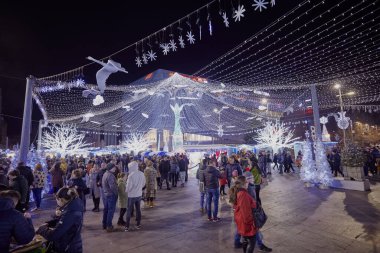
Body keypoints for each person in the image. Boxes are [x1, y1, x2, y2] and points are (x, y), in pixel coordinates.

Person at [36, 187, 83, 253]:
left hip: (68, 248)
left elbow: (53, 235)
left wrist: (42, 229)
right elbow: (66, 223)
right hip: (72, 244)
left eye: (56, 200)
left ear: (61, 199)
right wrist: (49, 223)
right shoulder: (74, 206)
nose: (56, 202)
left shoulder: (70, 213)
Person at [243, 172, 272, 252]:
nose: (252, 179)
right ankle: (260, 245)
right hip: (250, 214)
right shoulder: (247, 189)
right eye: (249, 178)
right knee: (255, 231)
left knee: (250, 231)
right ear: (245, 180)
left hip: (250, 214)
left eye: (252, 177)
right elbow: (249, 203)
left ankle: (258, 244)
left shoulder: (251, 186)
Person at [229, 176, 257, 253]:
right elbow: (246, 212)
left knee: (245, 240)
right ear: (244, 184)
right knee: (252, 241)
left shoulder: (238, 191)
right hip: (246, 222)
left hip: (240, 220)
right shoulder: (243, 194)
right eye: (247, 182)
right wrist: (251, 223)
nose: (248, 183)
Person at [125, 161, 146, 232]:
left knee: (129, 210)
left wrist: (126, 190)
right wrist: (139, 188)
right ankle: (138, 224)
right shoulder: (142, 174)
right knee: (138, 209)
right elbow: (143, 184)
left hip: (131, 195)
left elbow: (128, 187)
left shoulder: (131, 175)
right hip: (139, 194)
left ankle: (127, 226)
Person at [101, 163, 119, 232]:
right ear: (110, 168)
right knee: (110, 211)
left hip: (106, 194)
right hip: (111, 195)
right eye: (114, 167)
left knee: (106, 210)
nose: (115, 169)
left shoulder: (105, 174)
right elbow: (113, 187)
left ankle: (104, 224)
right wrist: (117, 193)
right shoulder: (110, 175)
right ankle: (109, 226)